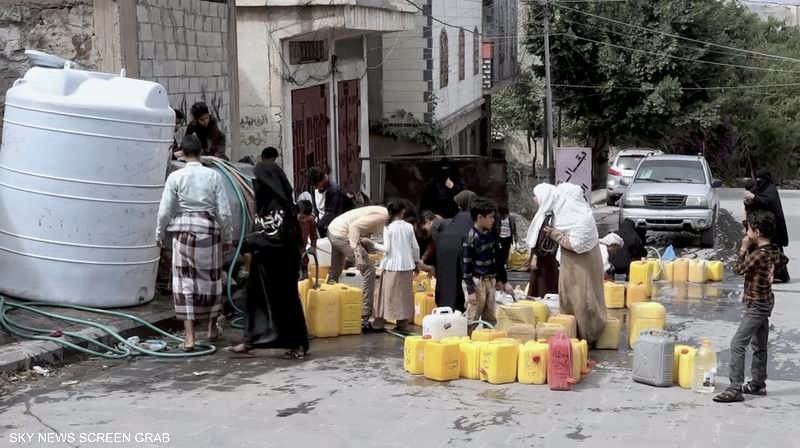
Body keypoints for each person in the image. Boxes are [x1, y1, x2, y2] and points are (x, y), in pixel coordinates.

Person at [228, 151, 310, 359]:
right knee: (255, 299)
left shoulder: (280, 206)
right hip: (263, 261)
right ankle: (252, 340)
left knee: (286, 301)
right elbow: (261, 231)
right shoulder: (265, 204)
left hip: (282, 261)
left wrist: (246, 242)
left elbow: (275, 236)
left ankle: (297, 343)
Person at [156, 134, 232, 351]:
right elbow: (224, 212)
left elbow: (164, 211)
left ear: (183, 153)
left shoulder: (175, 177)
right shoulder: (213, 176)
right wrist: (227, 237)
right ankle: (211, 328)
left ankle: (189, 337)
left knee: (184, 284)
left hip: (183, 233)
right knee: (212, 281)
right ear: (201, 153)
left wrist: (159, 235)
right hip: (209, 230)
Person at [714, 210, 788, 403]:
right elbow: (782, 261)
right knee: (759, 345)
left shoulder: (758, 255)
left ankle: (734, 387)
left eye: (747, 230)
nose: (745, 234)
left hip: (756, 305)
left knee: (738, 344)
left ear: (756, 231)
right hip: (765, 302)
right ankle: (757, 383)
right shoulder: (773, 251)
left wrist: (743, 248)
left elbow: (738, 269)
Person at [543, 182, 607, 344]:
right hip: (570, 264)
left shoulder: (582, 218)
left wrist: (556, 235)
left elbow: (576, 245)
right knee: (569, 298)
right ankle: (571, 334)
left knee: (583, 300)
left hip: (582, 265)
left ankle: (586, 337)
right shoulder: (570, 215)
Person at [327, 205, 389, 330]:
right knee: (368, 269)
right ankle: (365, 317)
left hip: (333, 230)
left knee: (336, 271)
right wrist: (358, 255)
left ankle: (328, 308)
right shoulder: (383, 216)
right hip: (342, 234)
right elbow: (354, 227)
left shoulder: (381, 211)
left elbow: (362, 230)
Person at [366, 200, 421, 332]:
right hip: (407, 266)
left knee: (386, 295)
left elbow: (386, 249)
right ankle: (402, 324)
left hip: (391, 266)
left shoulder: (388, 228)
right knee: (404, 296)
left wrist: (371, 243)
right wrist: (416, 262)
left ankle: (379, 323)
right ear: (402, 212)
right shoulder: (409, 227)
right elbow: (416, 247)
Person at [462, 197, 504, 329]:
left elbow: (494, 259)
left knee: (490, 316)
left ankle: (488, 342)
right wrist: (470, 291)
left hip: (490, 280)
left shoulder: (490, 235)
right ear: (480, 217)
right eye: (490, 217)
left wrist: (498, 279)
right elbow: (466, 266)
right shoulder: (470, 237)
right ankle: (467, 342)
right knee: (473, 316)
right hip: (476, 282)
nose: (493, 220)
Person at [434, 190, 477, 311]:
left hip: (445, 249)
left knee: (449, 280)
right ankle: (459, 310)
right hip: (461, 248)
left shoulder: (457, 218)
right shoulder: (472, 217)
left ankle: (447, 307)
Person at [744, 169, 789, 283]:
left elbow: (768, 202)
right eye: (757, 179)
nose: (759, 181)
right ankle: (758, 272)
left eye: (761, 179)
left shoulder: (771, 190)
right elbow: (754, 200)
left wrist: (754, 197)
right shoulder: (760, 187)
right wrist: (748, 201)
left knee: (774, 250)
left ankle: (780, 275)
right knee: (758, 249)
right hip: (762, 224)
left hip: (773, 226)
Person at [525, 184, 559, 298]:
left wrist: (535, 256)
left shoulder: (548, 217)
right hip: (544, 259)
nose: (534, 199)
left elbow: (543, 240)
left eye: (536, 196)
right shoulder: (545, 214)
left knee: (542, 287)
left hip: (544, 261)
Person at [308, 166, 351, 238]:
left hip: (335, 227)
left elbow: (332, 214)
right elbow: (315, 210)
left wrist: (319, 226)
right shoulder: (314, 190)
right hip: (322, 226)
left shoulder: (334, 190)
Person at [494, 205, 517, 276]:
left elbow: (514, 230)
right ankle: (500, 266)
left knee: (506, 252)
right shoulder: (498, 218)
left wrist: (516, 240)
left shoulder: (511, 218)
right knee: (499, 253)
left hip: (508, 238)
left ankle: (504, 265)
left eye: (504, 215)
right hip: (500, 238)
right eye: (502, 215)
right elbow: (495, 228)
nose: (503, 216)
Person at [297, 199, 317, 280]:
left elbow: (314, 236)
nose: (304, 220)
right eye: (302, 218)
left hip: (303, 254)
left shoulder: (310, 220)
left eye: (306, 218)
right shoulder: (289, 220)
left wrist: (313, 246)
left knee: (304, 279)